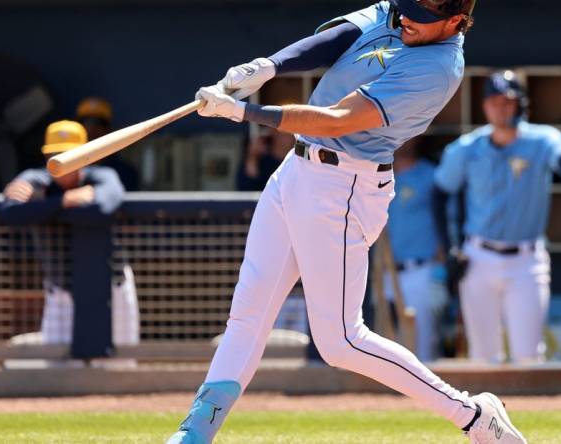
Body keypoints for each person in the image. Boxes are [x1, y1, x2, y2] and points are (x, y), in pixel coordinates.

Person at [168, 2, 528, 443]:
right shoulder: (402, 11)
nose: (407, 18)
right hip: (295, 171)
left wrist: (245, 113)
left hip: (344, 185)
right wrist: (269, 65)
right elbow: (337, 38)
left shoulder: (438, 67)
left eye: (422, 14)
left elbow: (338, 119)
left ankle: (473, 416)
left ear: (456, 20)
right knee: (248, 310)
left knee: (340, 340)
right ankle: (195, 434)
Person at [434, 70, 561, 364]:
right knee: (483, 356)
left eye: (508, 101)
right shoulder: (467, 148)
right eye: (494, 101)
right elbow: (439, 192)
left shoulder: (541, 140)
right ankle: (487, 412)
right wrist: (448, 248)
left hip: (526, 259)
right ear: (485, 105)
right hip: (478, 256)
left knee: (528, 354)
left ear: (521, 104)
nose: (500, 108)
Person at [0, 120, 126, 359]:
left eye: (70, 154)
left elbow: (104, 205)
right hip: (60, 287)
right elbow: (9, 212)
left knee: (121, 362)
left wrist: (41, 204)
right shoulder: (36, 179)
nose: (63, 161)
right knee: (55, 365)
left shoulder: (102, 175)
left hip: (112, 285)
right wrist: (63, 201)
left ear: (86, 154)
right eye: (56, 155)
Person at [385, 137, 448, 362]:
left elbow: (448, 219)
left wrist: (441, 269)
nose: (401, 142)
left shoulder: (431, 175)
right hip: (383, 273)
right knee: (385, 346)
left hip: (421, 269)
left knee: (423, 350)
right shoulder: (374, 175)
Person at [76, 97, 140, 191]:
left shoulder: (124, 171)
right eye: (85, 122)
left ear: (108, 129)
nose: (91, 129)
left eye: (98, 123)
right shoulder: (68, 170)